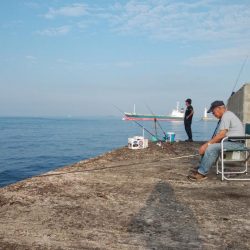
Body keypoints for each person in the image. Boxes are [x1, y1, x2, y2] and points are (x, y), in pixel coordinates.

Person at [188, 100, 245, 181]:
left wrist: (206, 145)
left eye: (213, 112)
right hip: (231, 142)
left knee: (211, 148)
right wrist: (208, 144)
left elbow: (222, 134)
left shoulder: (226, 116)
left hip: (236, 143)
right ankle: (202, 167)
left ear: (219, 108)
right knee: (210, 146)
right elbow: (219, 135)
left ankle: (201, 173)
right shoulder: (226, 116)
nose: (213, 114)